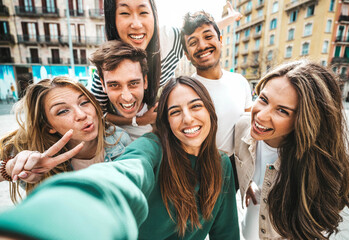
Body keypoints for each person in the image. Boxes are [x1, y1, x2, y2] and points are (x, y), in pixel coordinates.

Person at [0, 76, 239, 240]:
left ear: (210, 110)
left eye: (196, 106)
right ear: (165, 122)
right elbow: (124, 173)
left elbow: (226, 233)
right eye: (175, 111)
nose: (187, 119)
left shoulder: (222, 164)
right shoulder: (151, 147)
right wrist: (9, 168)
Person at [234, 60, 349, 239]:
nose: (260, 116)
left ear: (305, 119)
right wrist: (247, 183)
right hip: (247, 232)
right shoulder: (241, 128)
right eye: (263, 99)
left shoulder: (315, 160)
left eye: (282, 111)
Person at [91, 0, 241, 127]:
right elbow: (97, 112)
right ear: (112, 18)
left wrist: (232, 17)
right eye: (125, 13)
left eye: (143, 12)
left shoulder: (170, 40)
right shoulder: (107, 64)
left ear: (154, 15)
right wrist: (136, 120)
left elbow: (199, 32)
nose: (136, 24)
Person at [0, 76, 132, 202]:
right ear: (48, 126)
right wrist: (9, 168)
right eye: (63, 111)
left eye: (84, 102)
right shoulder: (32, 151)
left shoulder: (119, 139)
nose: (81, 115)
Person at [181, 11, 252, 188]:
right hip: (197, 170)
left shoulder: (240, 82)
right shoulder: (184, 90)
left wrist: (248, 177)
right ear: (187, 55)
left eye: (208, 36)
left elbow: (248, 133)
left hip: (233, 168)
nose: (202, 45)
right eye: (193, 42)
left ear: (220, 40)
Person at [90, 40, 155, 140]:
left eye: (133, 84)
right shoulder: (94, 127)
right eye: (114, 85)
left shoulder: (160, 110)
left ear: (145, 81)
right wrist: (138, 120)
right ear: (103, 85)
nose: (127, 97)